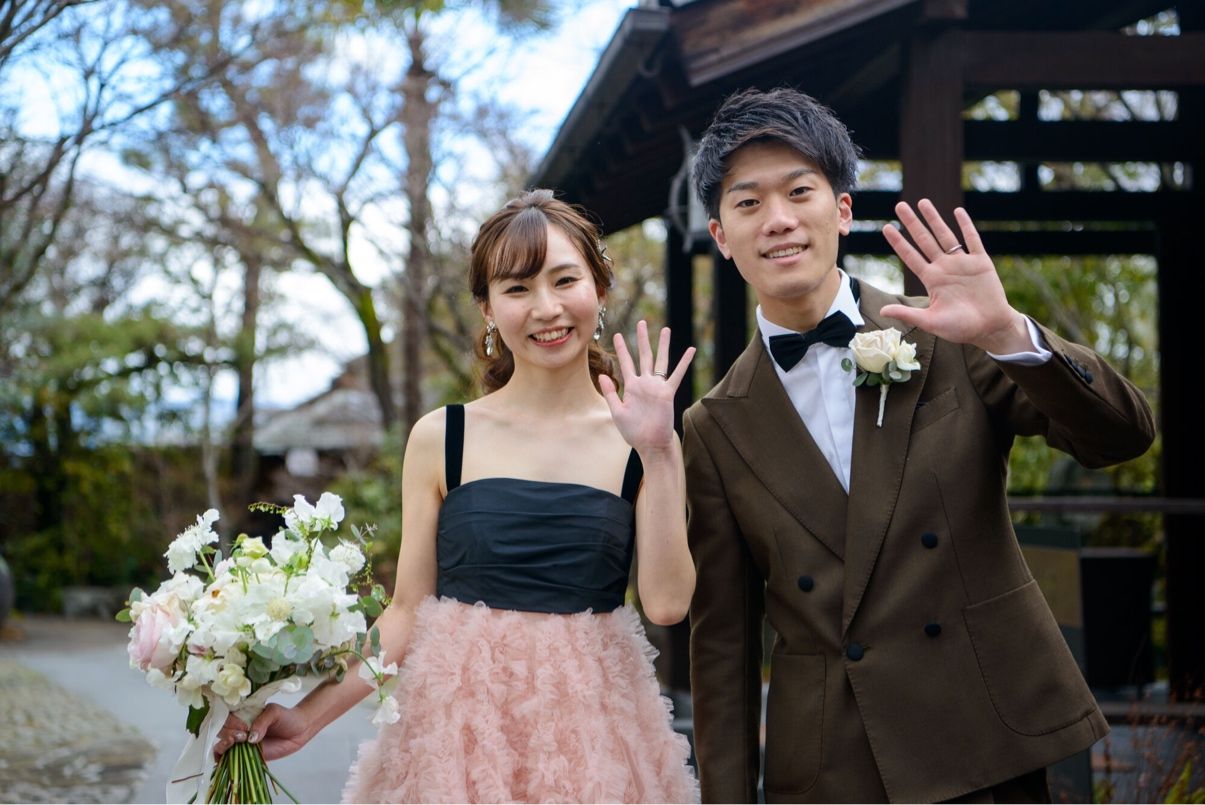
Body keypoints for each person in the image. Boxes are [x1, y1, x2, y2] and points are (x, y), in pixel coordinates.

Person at [683, 87, 1156, 803]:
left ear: (842, 209)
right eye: (748, 203)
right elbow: (723, 642)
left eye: (799, 192)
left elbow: (1122, 436)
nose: (778, 219)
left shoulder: (949, 333)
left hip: (984, 729)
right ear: (721, 235)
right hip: (833, 763)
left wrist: (1005, 331)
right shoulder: (713, 426)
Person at [214, 189, 700, 803]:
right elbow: (406, 613)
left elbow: (667, 604)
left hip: (592, 732)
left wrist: (660, 450)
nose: (546, 308)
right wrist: (306, 718)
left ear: (599, 290)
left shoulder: (644, 439)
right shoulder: (442, 437)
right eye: (518, 288)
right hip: (459, 734)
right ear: (488, 308)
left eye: (564, 280)